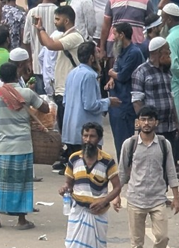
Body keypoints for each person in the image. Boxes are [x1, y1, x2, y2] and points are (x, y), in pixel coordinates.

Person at [0, 61, 46, 229]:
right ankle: (21, 220)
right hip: (23, 145)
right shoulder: (26, 93)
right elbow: (45, 109)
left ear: (1, 77)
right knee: (23, 183)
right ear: (16, 75)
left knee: (1, 183)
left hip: (3, 145)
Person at [116, 105, 179, 248]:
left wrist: (176, 197)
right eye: (143, 120)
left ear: (156, 122)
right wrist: (116, 195)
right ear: (137, 122)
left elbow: (171, 171)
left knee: (162, 237)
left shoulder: (164, 144)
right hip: (135, 199)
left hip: (158, 199)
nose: (146, 123)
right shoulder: (129, 144)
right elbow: (121, 172)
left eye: (150, 120)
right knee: (137, 243)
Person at [61, 122, 122, 248]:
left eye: (92, 136)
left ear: (99, 139)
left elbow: (117, 187)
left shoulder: (107, 161)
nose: (88, 139)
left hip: (98, 214)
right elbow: (69, 183)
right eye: (85, 136)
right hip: (78, 212)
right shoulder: (74, 159)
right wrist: (65, 188)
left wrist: (103, 201)